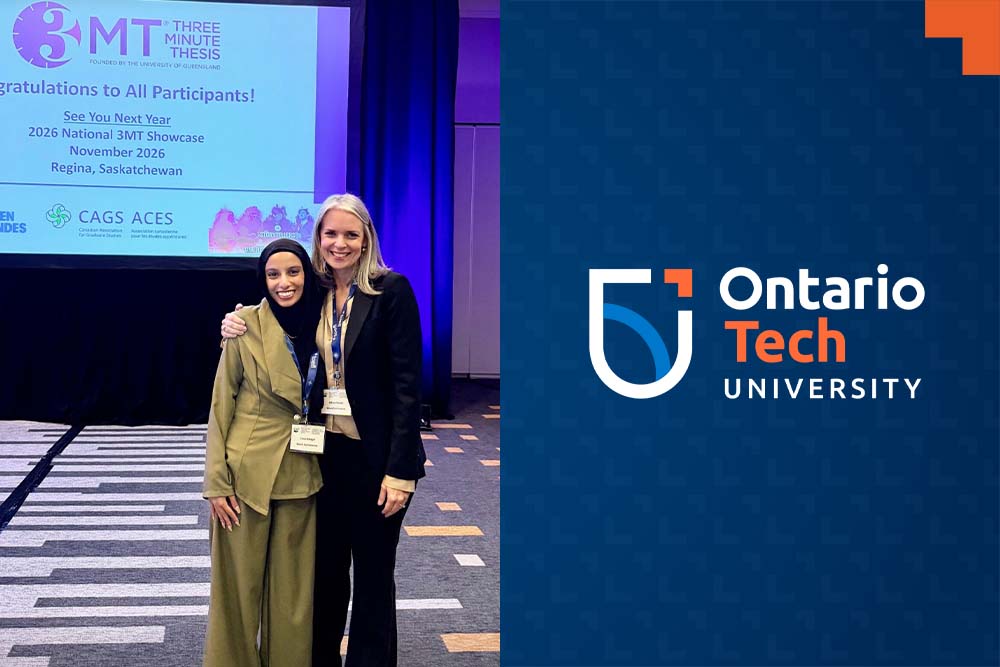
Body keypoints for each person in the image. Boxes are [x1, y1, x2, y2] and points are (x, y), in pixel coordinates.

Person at [222, 193, 426, 666]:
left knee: (374, 577)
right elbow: (265, 318)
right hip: (323, 458)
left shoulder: (390, 291)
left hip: (378, 462)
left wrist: (400, 470)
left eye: (350, 235)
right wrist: (232, 323)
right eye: (330, 234)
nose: (339, 244)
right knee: (326, 575)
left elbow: (406, 387)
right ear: (319, 239)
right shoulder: (312, 291)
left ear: (366, 239)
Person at [203, 239, 326, 667]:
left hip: (302, 470)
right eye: (273, 274)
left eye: (293, 272)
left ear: (307, 274)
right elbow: (221, 405)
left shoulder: (326, 321)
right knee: (236, 591)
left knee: (293, 597)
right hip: (244, 476)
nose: (284, 283)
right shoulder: (244, 324)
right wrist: (215, 481)